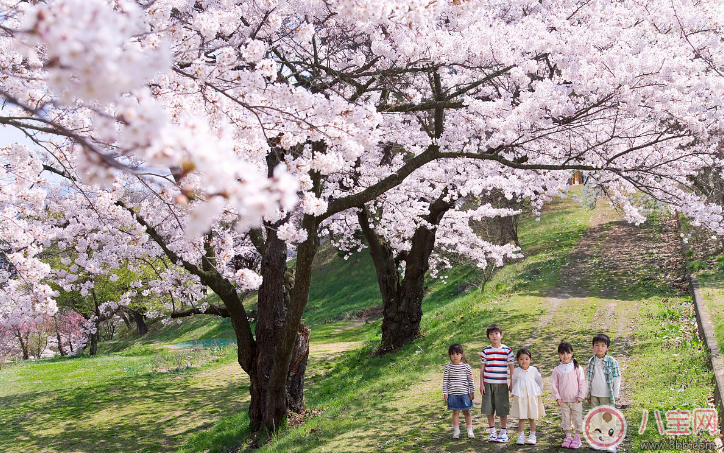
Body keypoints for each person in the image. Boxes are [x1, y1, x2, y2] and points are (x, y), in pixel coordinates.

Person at [480, 324, 515, 443]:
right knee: (489, 408)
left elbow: (511, 369)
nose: (494, 336)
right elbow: (482, 369)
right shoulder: (486, 351)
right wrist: (481, 384)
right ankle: (492, 432)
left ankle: (503, 432)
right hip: (488, 384)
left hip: (501, 384)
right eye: (491, 334)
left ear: (501, 335)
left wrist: (512, 383)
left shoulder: (507, 351)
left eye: (496, 333)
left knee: (502, 408)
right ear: (488, 337)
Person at [551, 342, 587, 449]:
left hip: (576, 400)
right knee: (566, 418)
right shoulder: (557, 370)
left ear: (572, 353)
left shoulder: (577, 368)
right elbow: (554, 385)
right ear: (558, 355)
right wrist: (557, 397)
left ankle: (577, 437)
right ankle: (568, 436)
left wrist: (581, 395)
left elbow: (582, 382)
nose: (565, 356)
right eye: (562, 353)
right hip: (564, 401)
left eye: (568, 353)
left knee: (577, 418)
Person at [510, 348, 545, 445]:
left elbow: (539, 380)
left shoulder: (533, 370)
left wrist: (539, 390)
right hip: (521, 396)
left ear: (530, 360)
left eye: (526, 358)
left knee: (532, 416)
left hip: (531, 395)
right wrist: (513, 391)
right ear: (517, 360)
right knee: (522, 416)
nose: (524, 361)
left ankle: (532, 435)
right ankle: (521, 435)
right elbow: (514, 381)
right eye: (521, 359)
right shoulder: (517, 371)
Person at [443, 343, 475, 438]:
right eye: (452, 354)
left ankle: (470, 430)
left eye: (457, 354)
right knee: (455, 412)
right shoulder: (448, 367)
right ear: (450, 355)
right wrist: (445, 393)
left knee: (466, 412)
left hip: (465, 394)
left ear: (462, 354)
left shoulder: (466, 367)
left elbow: (471, 380)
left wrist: (472, 392)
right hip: (453, 394)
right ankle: (456, 431)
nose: (455, 356)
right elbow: (445, 381)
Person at [586, 333, 621, 408]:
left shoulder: (612, 361)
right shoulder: (591, 361)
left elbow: (617, 378)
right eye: (597, 345)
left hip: (607, 395)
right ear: (593, 346)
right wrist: (588, 394)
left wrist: (616, 394)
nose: (599, 348)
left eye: (603, 345)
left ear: (607, 347)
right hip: (594, 394)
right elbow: (589, 379)